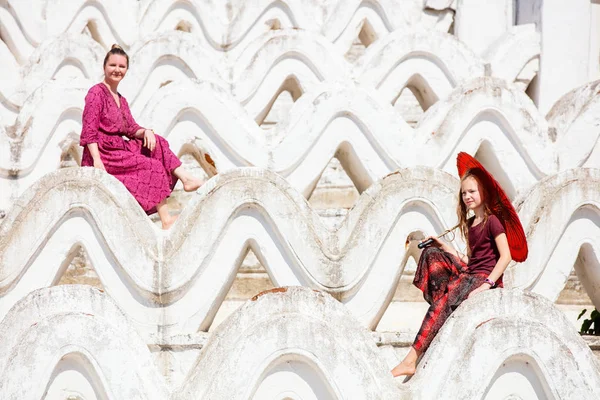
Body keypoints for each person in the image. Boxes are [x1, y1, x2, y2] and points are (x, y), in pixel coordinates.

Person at [391, 153, 527, 377]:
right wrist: (447, 248)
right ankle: (443, 304)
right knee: (432, 254)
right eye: (464, 193)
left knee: (445, 301)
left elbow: (506, 256)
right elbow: (470, 261)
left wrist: (487, 284)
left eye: (472, 191)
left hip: (482, 279)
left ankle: (411, 359)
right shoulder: (472, 223)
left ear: (484, 192)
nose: (467, 196)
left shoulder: (493, 221)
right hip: (470, 274)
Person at [80, 44, 204, 229]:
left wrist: (146, 131)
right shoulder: (96, 93)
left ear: (126, 70)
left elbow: (130, 128)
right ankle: (166, 219)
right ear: (104, 67)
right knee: (151, 166)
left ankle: (186, 179)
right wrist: (97, 160)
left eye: (122, 66)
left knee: (158, 142)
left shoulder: (120, 99)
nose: (117, 70)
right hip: (103, 152)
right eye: (113, 65)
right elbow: (89, 129)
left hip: (118, 147)